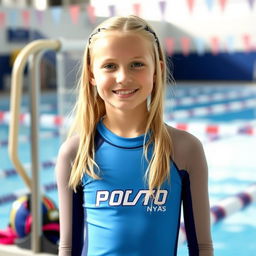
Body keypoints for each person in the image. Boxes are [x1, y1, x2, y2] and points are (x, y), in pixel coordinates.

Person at [55, 15, 214, 256]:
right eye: (110, 66)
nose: (123, 77)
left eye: (136, 64)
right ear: (92, 75)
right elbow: (68, 246)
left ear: (157, 70)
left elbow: (201, 247)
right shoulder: (76, 153)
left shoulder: (183, 149)